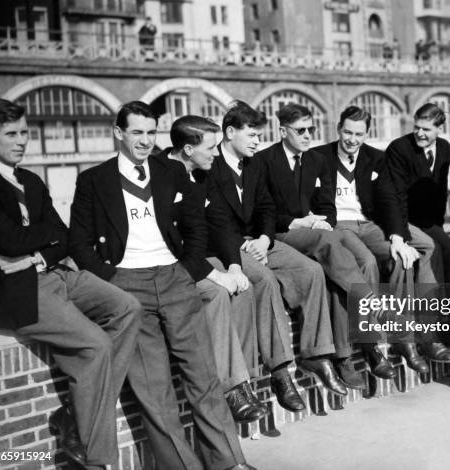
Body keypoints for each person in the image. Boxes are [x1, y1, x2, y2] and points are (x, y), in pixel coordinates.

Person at [69, 101, 254, 469]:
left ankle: (229, 462)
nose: (143, 140)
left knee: (203, 377)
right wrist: (110, 280)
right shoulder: (94, 179)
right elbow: (78, 241)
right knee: (155, 392)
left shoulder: (169, 171)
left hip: (174, 278)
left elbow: (195, 226)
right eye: (136, 132)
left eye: (150, 132)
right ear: (118, 132)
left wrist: (186, 269)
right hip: (126, 284)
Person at [0, 98, 141, 470]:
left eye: (24, 132)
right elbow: (7, 240)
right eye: (11, 134)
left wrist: (38, 253)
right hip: (16, 290)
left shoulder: (31, 181)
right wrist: (40, 240)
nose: (21, 141)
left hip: (51, 272)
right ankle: (95, 459)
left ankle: (75, 411)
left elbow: (64, 236)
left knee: (128, 308)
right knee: (96, 345)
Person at [206, 102, 346, 407]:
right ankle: (281, 372)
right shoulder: (210, 163)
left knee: (310, 271)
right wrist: (246, 247)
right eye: (252, 135)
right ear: (230, 133)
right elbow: (214, 221)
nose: (258, 141)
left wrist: (265, 238)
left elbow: (267, 207)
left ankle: (318, 354)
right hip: (226, 246)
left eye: (259, 135)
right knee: (265, 280)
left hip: (258, 240)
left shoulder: (254, 163)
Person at [256, 102, 386, 389]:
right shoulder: (264, 160)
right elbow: (262, 211)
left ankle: (353, 350)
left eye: (311, 129)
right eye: (300, 130)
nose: (307, 135)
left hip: (317, 231)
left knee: (354, 259)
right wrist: (297, 222)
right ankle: (369, 300)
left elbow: (327, 206)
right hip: (283, 232)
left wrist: (321, 220)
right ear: (282, 131)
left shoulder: (316, 161)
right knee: (330, 241)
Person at [159, 115, 267, 424]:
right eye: (211, 147)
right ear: (189, 149)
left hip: (198, 256)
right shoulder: (160, 175)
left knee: (243, 288)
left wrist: (234, 265)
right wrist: (212, 274)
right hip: (169, 263)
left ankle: (244, 382)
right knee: (218, 294)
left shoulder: (203, 175)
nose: (217, 153)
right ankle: (231, 388)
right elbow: (171, 239)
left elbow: (219, 222)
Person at [312, 105, 429, 374]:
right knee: (367, 263)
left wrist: (398, 238)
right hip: (337, 224)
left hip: (368, 223)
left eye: (359, 134)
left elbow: (388, 198)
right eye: (347, 132)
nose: (352, 139)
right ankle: (370, 345)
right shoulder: (319, 157)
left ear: (367, 134)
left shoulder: (376, 158)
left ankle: (404, 339)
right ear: (338, 129)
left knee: (401, 259)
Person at [385, 103, 450, 362]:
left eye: (426, 129)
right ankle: (429, 336)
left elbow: (439, 191)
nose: (419, 133)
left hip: (428, 220)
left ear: (440, 129)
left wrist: (441, 225)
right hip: (401, 220)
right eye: (416, 127)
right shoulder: (399, 149)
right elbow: (396, 196)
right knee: (431, 248)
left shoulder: (445, 149)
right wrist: (401, 233)